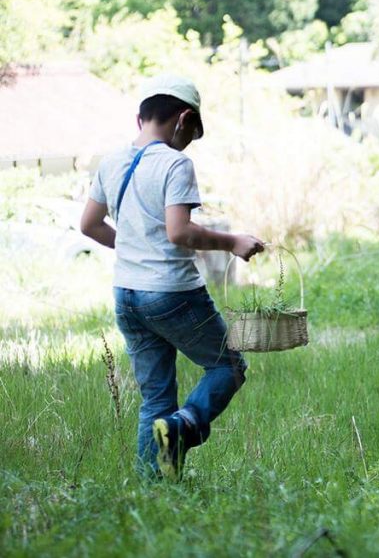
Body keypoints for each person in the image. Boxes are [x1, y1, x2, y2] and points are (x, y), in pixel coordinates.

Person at [80, 74, 265, 481]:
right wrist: (233, 242)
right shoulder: (175, 163)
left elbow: (89, 224)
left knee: (155, 399)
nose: (188, 144)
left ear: (140, 118)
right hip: (172, 293)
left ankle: (154, 488)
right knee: (228, 366)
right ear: (183, 119)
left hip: (127, 295)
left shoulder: (111, 161)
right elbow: (180, 232)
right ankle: (182, 427)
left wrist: (134, 247)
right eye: (191, 134)